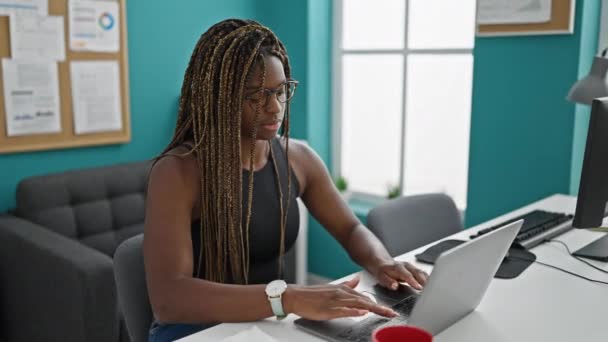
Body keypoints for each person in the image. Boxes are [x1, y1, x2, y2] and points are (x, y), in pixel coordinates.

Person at [144, 18, 429, 342]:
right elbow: (169, 300)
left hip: (267, 324)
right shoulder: (178, 172)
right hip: (195, 332)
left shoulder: (297, 157)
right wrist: (288, 298)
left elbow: (351, 229)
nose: (275, 107)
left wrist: (382, 263)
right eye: (256, 96)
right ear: (220, 98)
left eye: (281, 91)